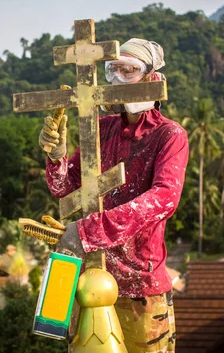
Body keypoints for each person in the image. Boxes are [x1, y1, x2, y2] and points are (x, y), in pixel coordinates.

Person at [38, 38, 189, 353]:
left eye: (129, 70)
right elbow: (65, 189)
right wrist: (57, 156)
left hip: (139, 286)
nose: (119, 79)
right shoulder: (101, 128)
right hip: (90, 279)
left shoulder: (169, 136)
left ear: (151, 78)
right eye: (113, 70)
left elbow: (164, 199)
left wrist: (86, 232)